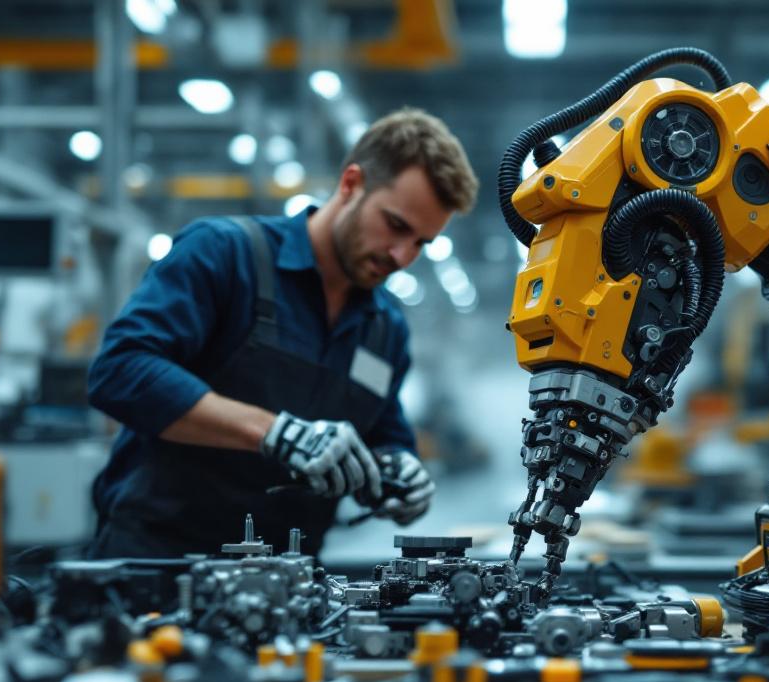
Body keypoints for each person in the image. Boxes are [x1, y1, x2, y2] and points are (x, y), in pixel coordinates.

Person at [86, 108, 479, 558]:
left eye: (421, 243)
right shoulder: (226, 256)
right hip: (158, 569)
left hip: (288, 586)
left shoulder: (383, 329)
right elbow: (120, 371)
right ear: (351, 185)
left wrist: (400, 470)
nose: (401, 255)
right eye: (396, 226)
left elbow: (384, 433)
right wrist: (274, 432)